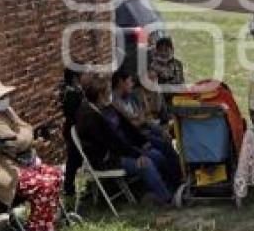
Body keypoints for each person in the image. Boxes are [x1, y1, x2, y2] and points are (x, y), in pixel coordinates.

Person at [0, 77, 63, 231]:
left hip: (16, 167)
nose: (5, 100)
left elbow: (25, 130)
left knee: (55, 175)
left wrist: (25, 132)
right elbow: (18, 141)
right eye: (0, 97)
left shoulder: (4, 112)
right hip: (0, 175)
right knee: (46, 184)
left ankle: (44, 227)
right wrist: (26, 132)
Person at [76, 75, 178, 206]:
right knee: (146, 164)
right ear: (100, 96)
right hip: (107, 159)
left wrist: (142, 143)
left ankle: (172, 186)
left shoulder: (107, 108)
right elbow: (113, 143)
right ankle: (166, 199)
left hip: (121, 151)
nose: (110, 94)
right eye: (108, 92)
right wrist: (137, 155)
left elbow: (126, 128)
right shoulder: (91, 117)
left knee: (157, 155)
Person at [60, 66, 92, 197]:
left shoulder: (78, 91)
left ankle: (70, 187)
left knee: (75, 160)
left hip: (77, 130)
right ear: (75, 78)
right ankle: (68, 188)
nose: (88, 76)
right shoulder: (71, 94)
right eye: (85, 74)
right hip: (75, 131)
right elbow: (73, 115)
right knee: (73, 160)